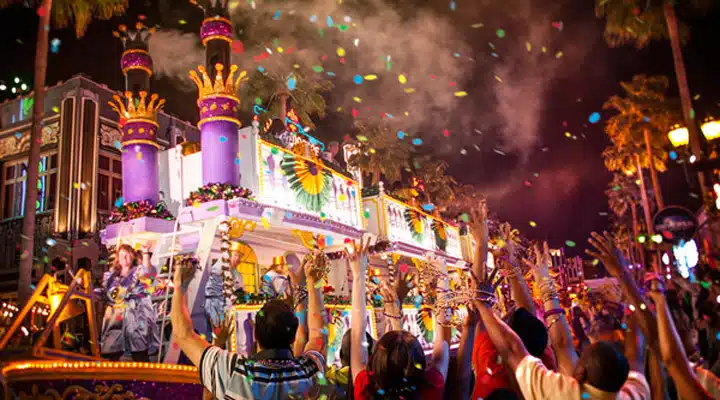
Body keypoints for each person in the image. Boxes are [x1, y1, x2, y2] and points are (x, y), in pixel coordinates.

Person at [170, 248, 328, 399]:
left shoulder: (235, 373)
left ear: (255, 334)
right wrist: (315, 283)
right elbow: (317, 336)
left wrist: (180, 286)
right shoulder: (307, 374)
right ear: (293, 338)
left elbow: (182, 334)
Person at [350, 237, 450, 399]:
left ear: (377, 360)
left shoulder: (367, 388)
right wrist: (442, 277)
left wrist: (358, 275)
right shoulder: (430, 388)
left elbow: (356, 333)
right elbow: (444, 339)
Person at [100, 242, 159, 362]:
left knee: (139, 349)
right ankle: (111, 379)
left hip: (135, 314)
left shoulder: (138, 271)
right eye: (122, 256)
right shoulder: (111, 276)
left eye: (127, 255)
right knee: (113, 349)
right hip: (116, 316)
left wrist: (146, 253)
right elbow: (108, 293)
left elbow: (148, 275)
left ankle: (145, 377)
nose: (125, 258)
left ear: (132, 257)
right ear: (118, 258)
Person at [205, 242, 245, 330]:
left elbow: (239, 288)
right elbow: (215, 291)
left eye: (240, 256)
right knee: (219, 332)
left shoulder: (236, 272)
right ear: (229, 254)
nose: (238, 259)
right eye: (236, 255)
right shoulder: (219, 267)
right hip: (216, 306)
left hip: (228, 307)